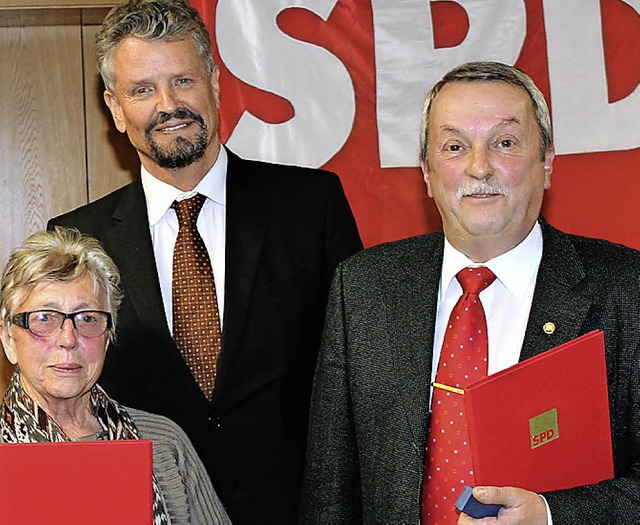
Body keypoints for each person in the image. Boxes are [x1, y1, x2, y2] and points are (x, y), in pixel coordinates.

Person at [48, 1, 362, 523]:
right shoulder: (78, 239)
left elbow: (361, 371)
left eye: (184, 81)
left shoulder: (311, 206)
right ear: (115, 108)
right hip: (147, 509)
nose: (168, 104)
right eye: (142, 90)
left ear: (215, 83)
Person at [299, 61, 640, 524]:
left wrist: (551, 515)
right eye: (455, 146)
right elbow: (329, 492)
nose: (479, 167)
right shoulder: (364, 288)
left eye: (504, 143)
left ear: (547, 164)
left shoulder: (627, 288)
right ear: (426, 171)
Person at [0, 227, 231, 524]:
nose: (68, 338)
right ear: (9, 339)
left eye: (87, 318)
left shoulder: (163, 443)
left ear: (108, 337)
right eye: (44, 318)